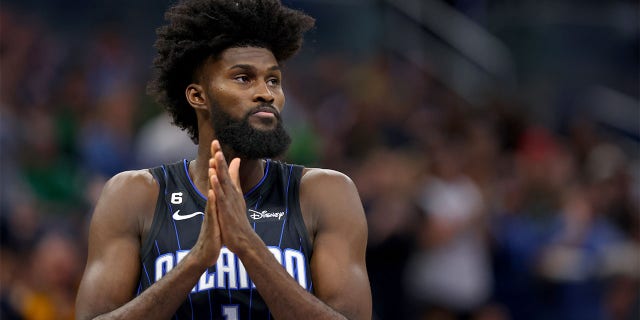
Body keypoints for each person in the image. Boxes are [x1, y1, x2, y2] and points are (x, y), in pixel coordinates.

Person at [74, 1, 372, 319]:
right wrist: (196, 261)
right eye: (244, 78)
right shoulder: (134, 195)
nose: (266, 93)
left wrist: (248, 246)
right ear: (197, 96)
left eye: (273, 80)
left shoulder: (325, 193)